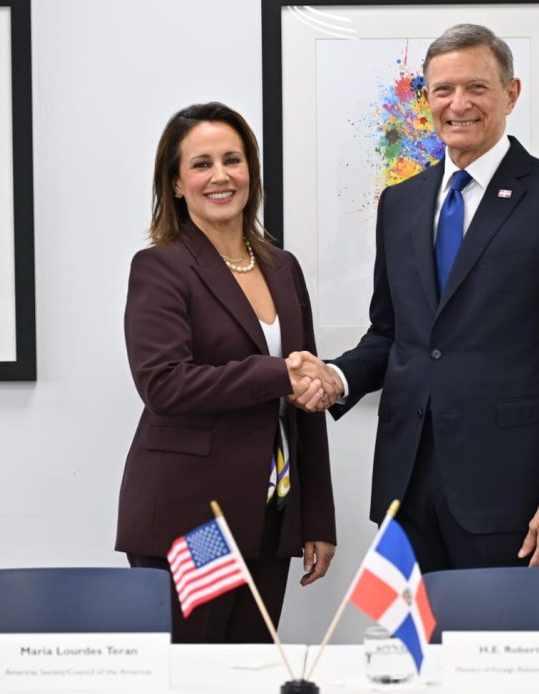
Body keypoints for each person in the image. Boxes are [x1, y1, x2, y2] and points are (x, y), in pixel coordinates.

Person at [294, 24, 539, 572]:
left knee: (495, 632)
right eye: (443, 90)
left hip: (510, 493)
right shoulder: (400, 202)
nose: (458, 104)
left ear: (511, 93)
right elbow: (391, 333)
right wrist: (337, 377)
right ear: (427, 98)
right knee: (411, 632)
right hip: (406, 487)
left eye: (476, 88)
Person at [116, 102, 337, 643]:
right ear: (175, 183)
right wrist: (277, 374)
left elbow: (303, 395)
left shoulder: (283, 267)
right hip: (195, 519)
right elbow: (164, 384)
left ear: (251, 172)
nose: (220, 176)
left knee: (252, 667)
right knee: (192, 669)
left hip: (271, 515)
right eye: (201, 164)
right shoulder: (161, 267)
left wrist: (317, 518)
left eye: (232, 160)